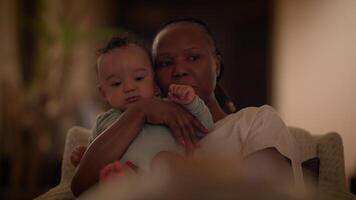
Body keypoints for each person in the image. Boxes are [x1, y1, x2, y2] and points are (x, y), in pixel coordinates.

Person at [71, 18, 304, 197]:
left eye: (193, 58)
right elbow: (81, 187)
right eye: (165, 63)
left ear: (216, 64)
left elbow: (271, 189)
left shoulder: (256, 119)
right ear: (154, 79)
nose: (179, 70)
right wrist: (139, 111)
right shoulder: (133, 129)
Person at [70, 36, 214, 176]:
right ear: (103, 93)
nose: (129, 87)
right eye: (116, 83)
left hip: (170, 181)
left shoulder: (169, 108)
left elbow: (205, 127)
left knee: (167, 162)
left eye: (139, 78)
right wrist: (83, 157)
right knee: (116, 174)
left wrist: (191, 102)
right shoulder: (104, 121)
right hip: (128, 183)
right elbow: (94, 159)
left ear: (155, 83)